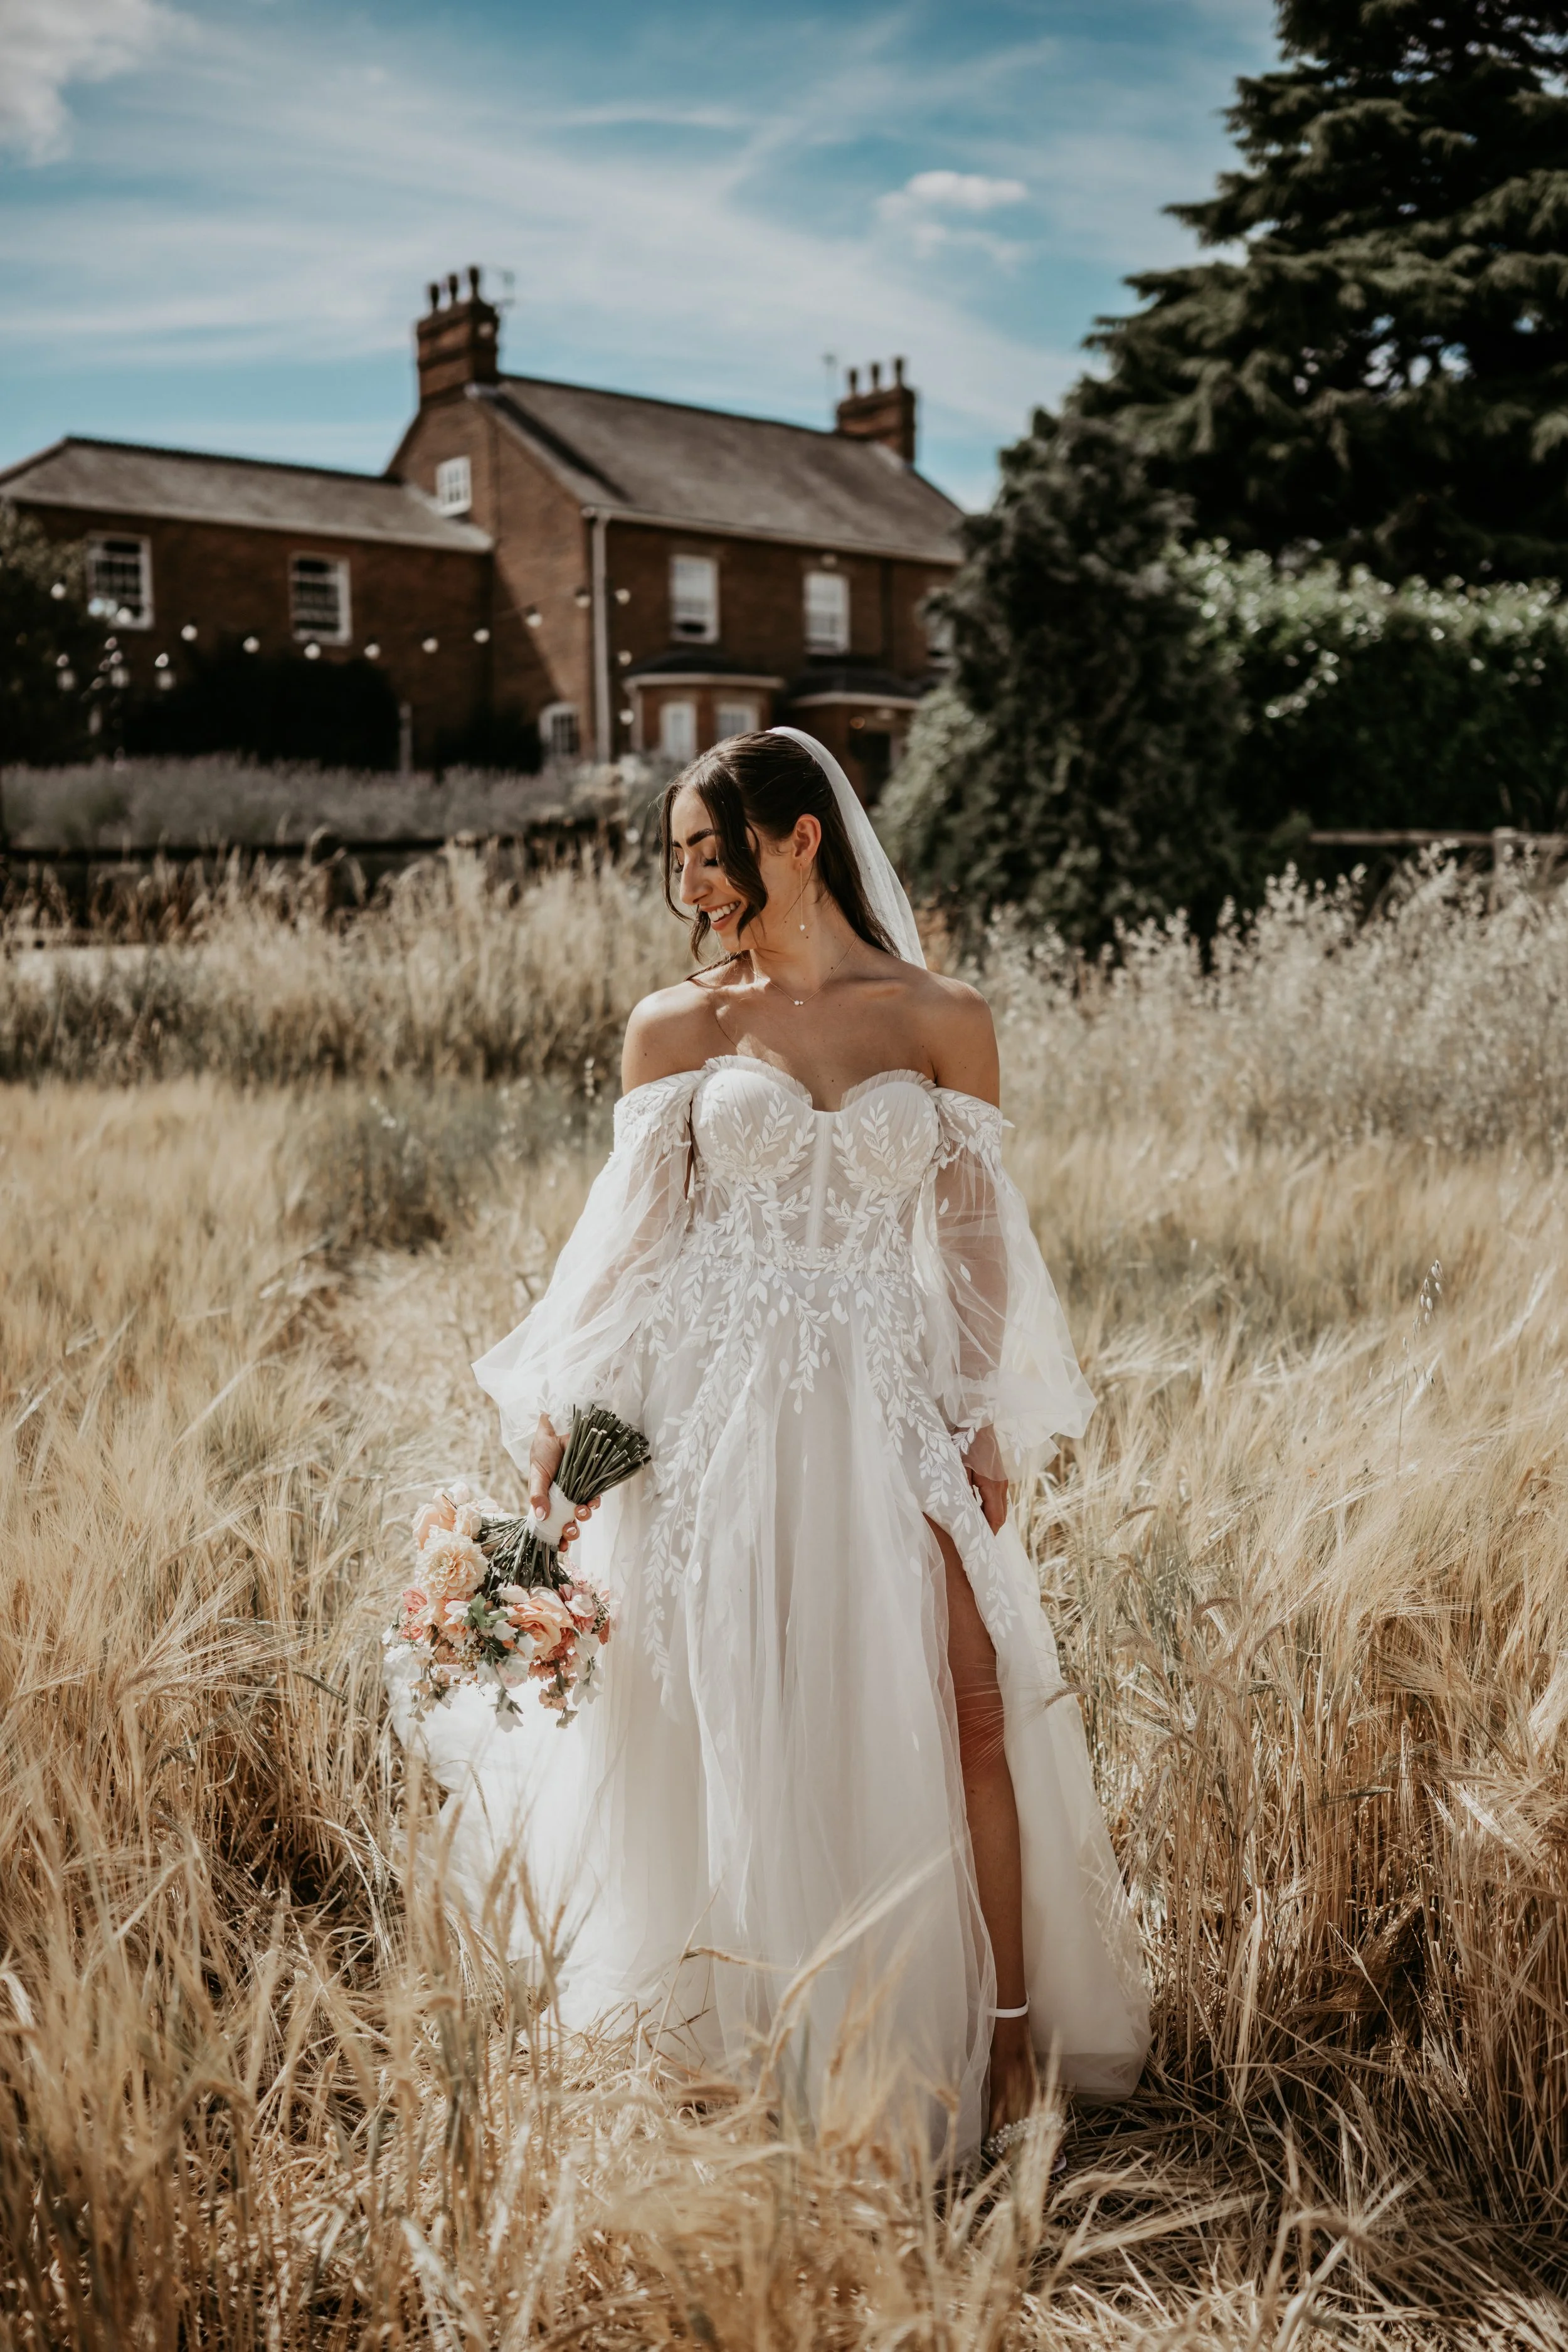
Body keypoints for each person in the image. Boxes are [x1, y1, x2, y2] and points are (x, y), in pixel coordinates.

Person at [401, 728, 1148, 2161]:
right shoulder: (679, 1027)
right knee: (742, 1702)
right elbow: (627, 1246)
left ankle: (996, 2047)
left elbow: (977, 1235)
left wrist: (977, 1400)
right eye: (678, 857)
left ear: (799, 837)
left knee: (966, 1702)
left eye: (707, 848)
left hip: (886, 1394)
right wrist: (568, 1411)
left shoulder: (941, 1015)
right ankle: (757, 2038)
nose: (691, 884)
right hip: (712, 1403)